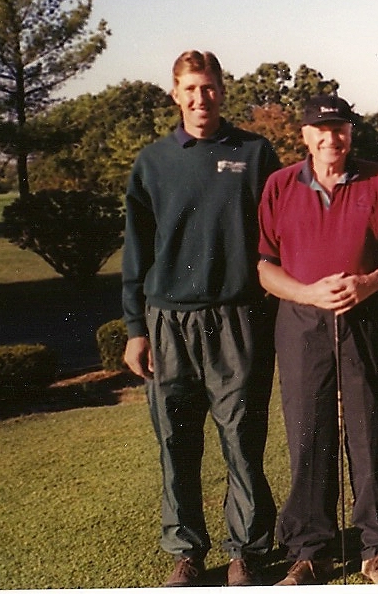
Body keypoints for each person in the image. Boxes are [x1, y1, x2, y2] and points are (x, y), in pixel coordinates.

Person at [122, 50, 280, 587]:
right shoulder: (153, 162)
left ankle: (247, 550)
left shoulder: (255, 153)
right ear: (175, 93)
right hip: (168, 323)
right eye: (190, 89)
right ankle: (186, 551)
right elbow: (136, 252)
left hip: (236, 319)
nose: (200, 99)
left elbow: (277, 237)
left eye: (208, 88)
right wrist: (135, 329)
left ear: (222, 90)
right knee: (176, 441)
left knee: (241, 439)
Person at [257, 94, 378, 586]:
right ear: (304, 136)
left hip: (368, 317)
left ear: (350, 132)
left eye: (339, 128)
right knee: (308, 429)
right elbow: (263, 266)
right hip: (302, 322)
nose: (331, 138)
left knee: (371, 427)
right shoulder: (280, 185)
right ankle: (309, 550)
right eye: (320, 130)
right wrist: (306, 293)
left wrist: (368, 282)